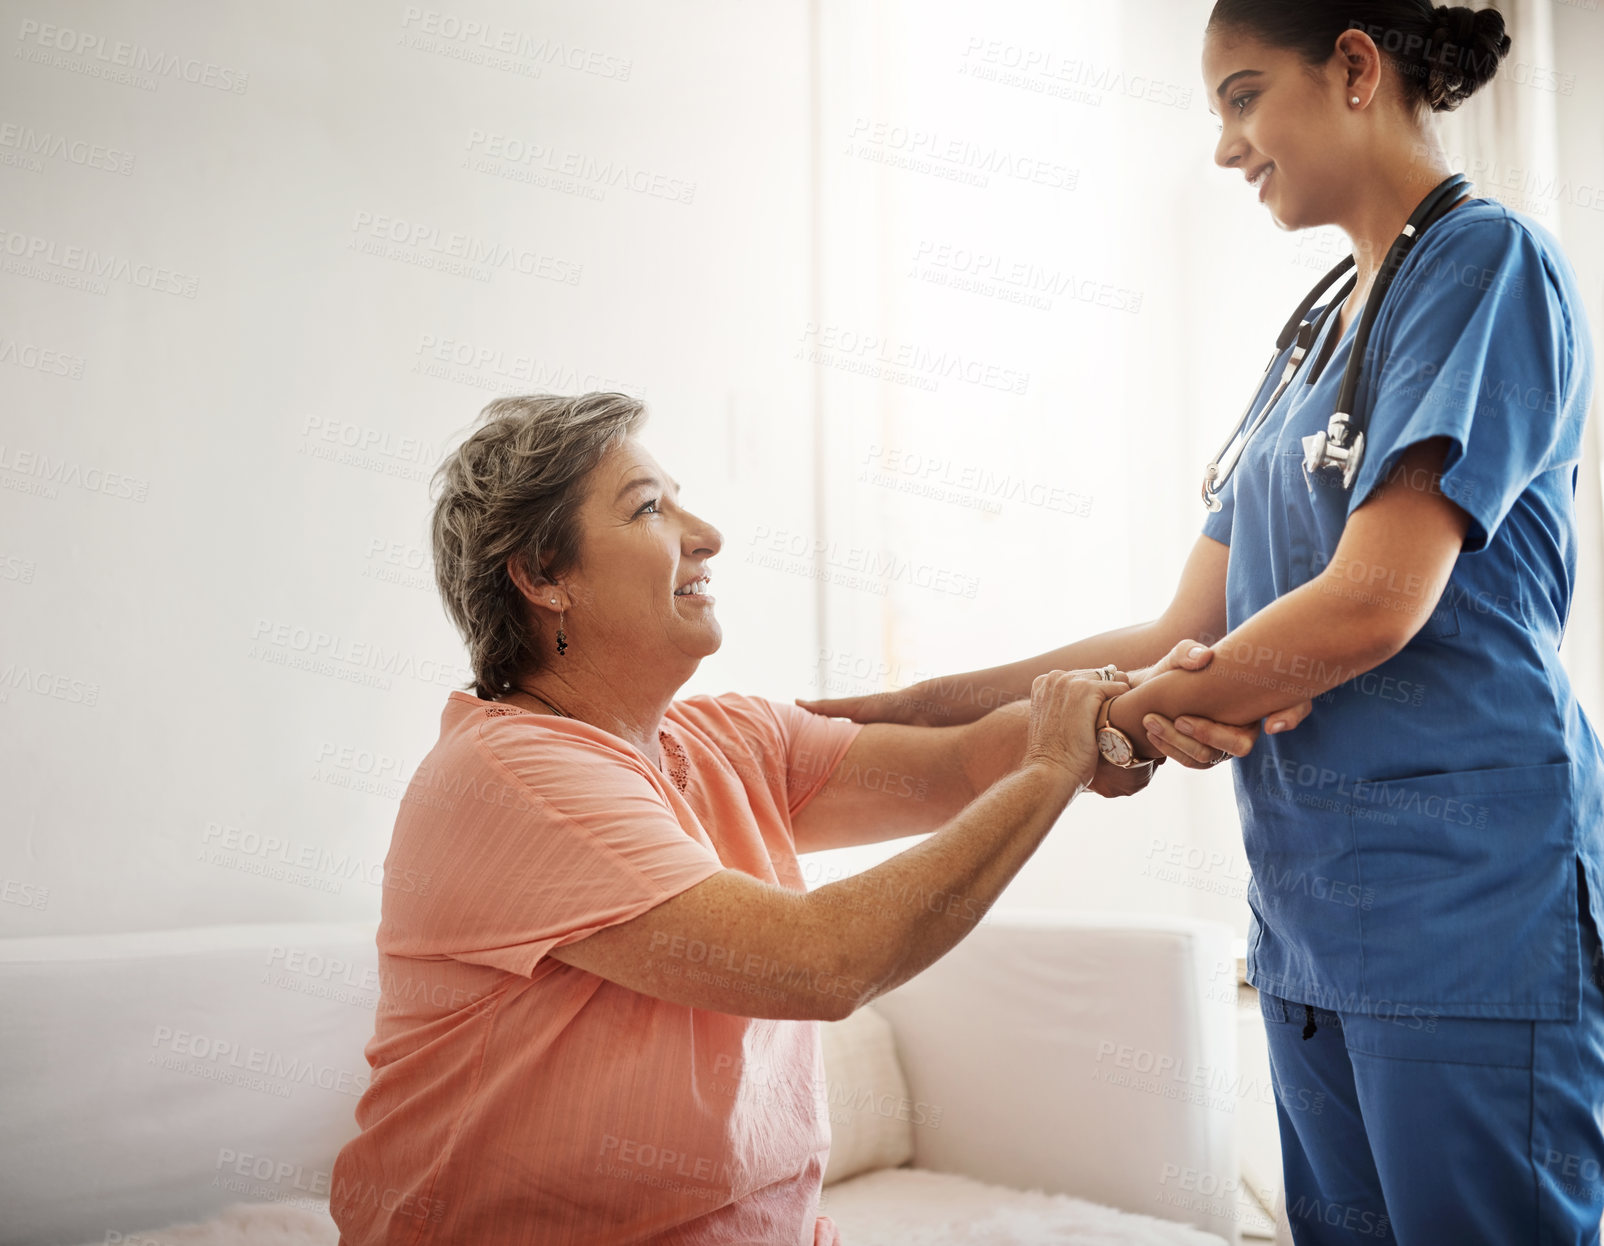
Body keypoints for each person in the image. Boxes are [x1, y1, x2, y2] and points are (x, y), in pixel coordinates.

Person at [801, 4, 1604, 1242]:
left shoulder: (1482, 265)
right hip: (1307, 920)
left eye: (1239, 96)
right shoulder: (1312, 334)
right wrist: (923, 703)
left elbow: (1370, 605)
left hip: (1467, 909)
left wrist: (1106, 729)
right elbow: (1187, 623)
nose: (1226, 146)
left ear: (1351, 67)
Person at [327, 391, 1271, 1246]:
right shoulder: (513, 775)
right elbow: (821, 962)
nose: (706, 535)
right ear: (542, 575)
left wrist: (1153, 706)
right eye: (649, 508)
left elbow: (966, 759)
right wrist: (1063, 761)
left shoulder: (726, 741)